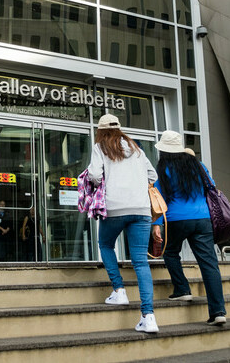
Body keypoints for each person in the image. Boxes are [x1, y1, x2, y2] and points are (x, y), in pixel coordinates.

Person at [87, 114, 159, 333]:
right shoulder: (136, 149)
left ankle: (119, 291)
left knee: (106, 244)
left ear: (100, 130)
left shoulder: (100, 147)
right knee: (141, 262)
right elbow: (152, 175)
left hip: (115, 207)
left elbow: (94, 175)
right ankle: (148, 317)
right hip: (141, 209)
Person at [151, 130, 227, 326]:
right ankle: (218, 311)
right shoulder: (199, 166)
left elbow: (159, 199)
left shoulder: (164, 168)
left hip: (176, 219)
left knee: (170, 252)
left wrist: (156, 225)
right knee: (209, 264)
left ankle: (182, 290)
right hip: (203, 219)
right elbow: (212, 188)